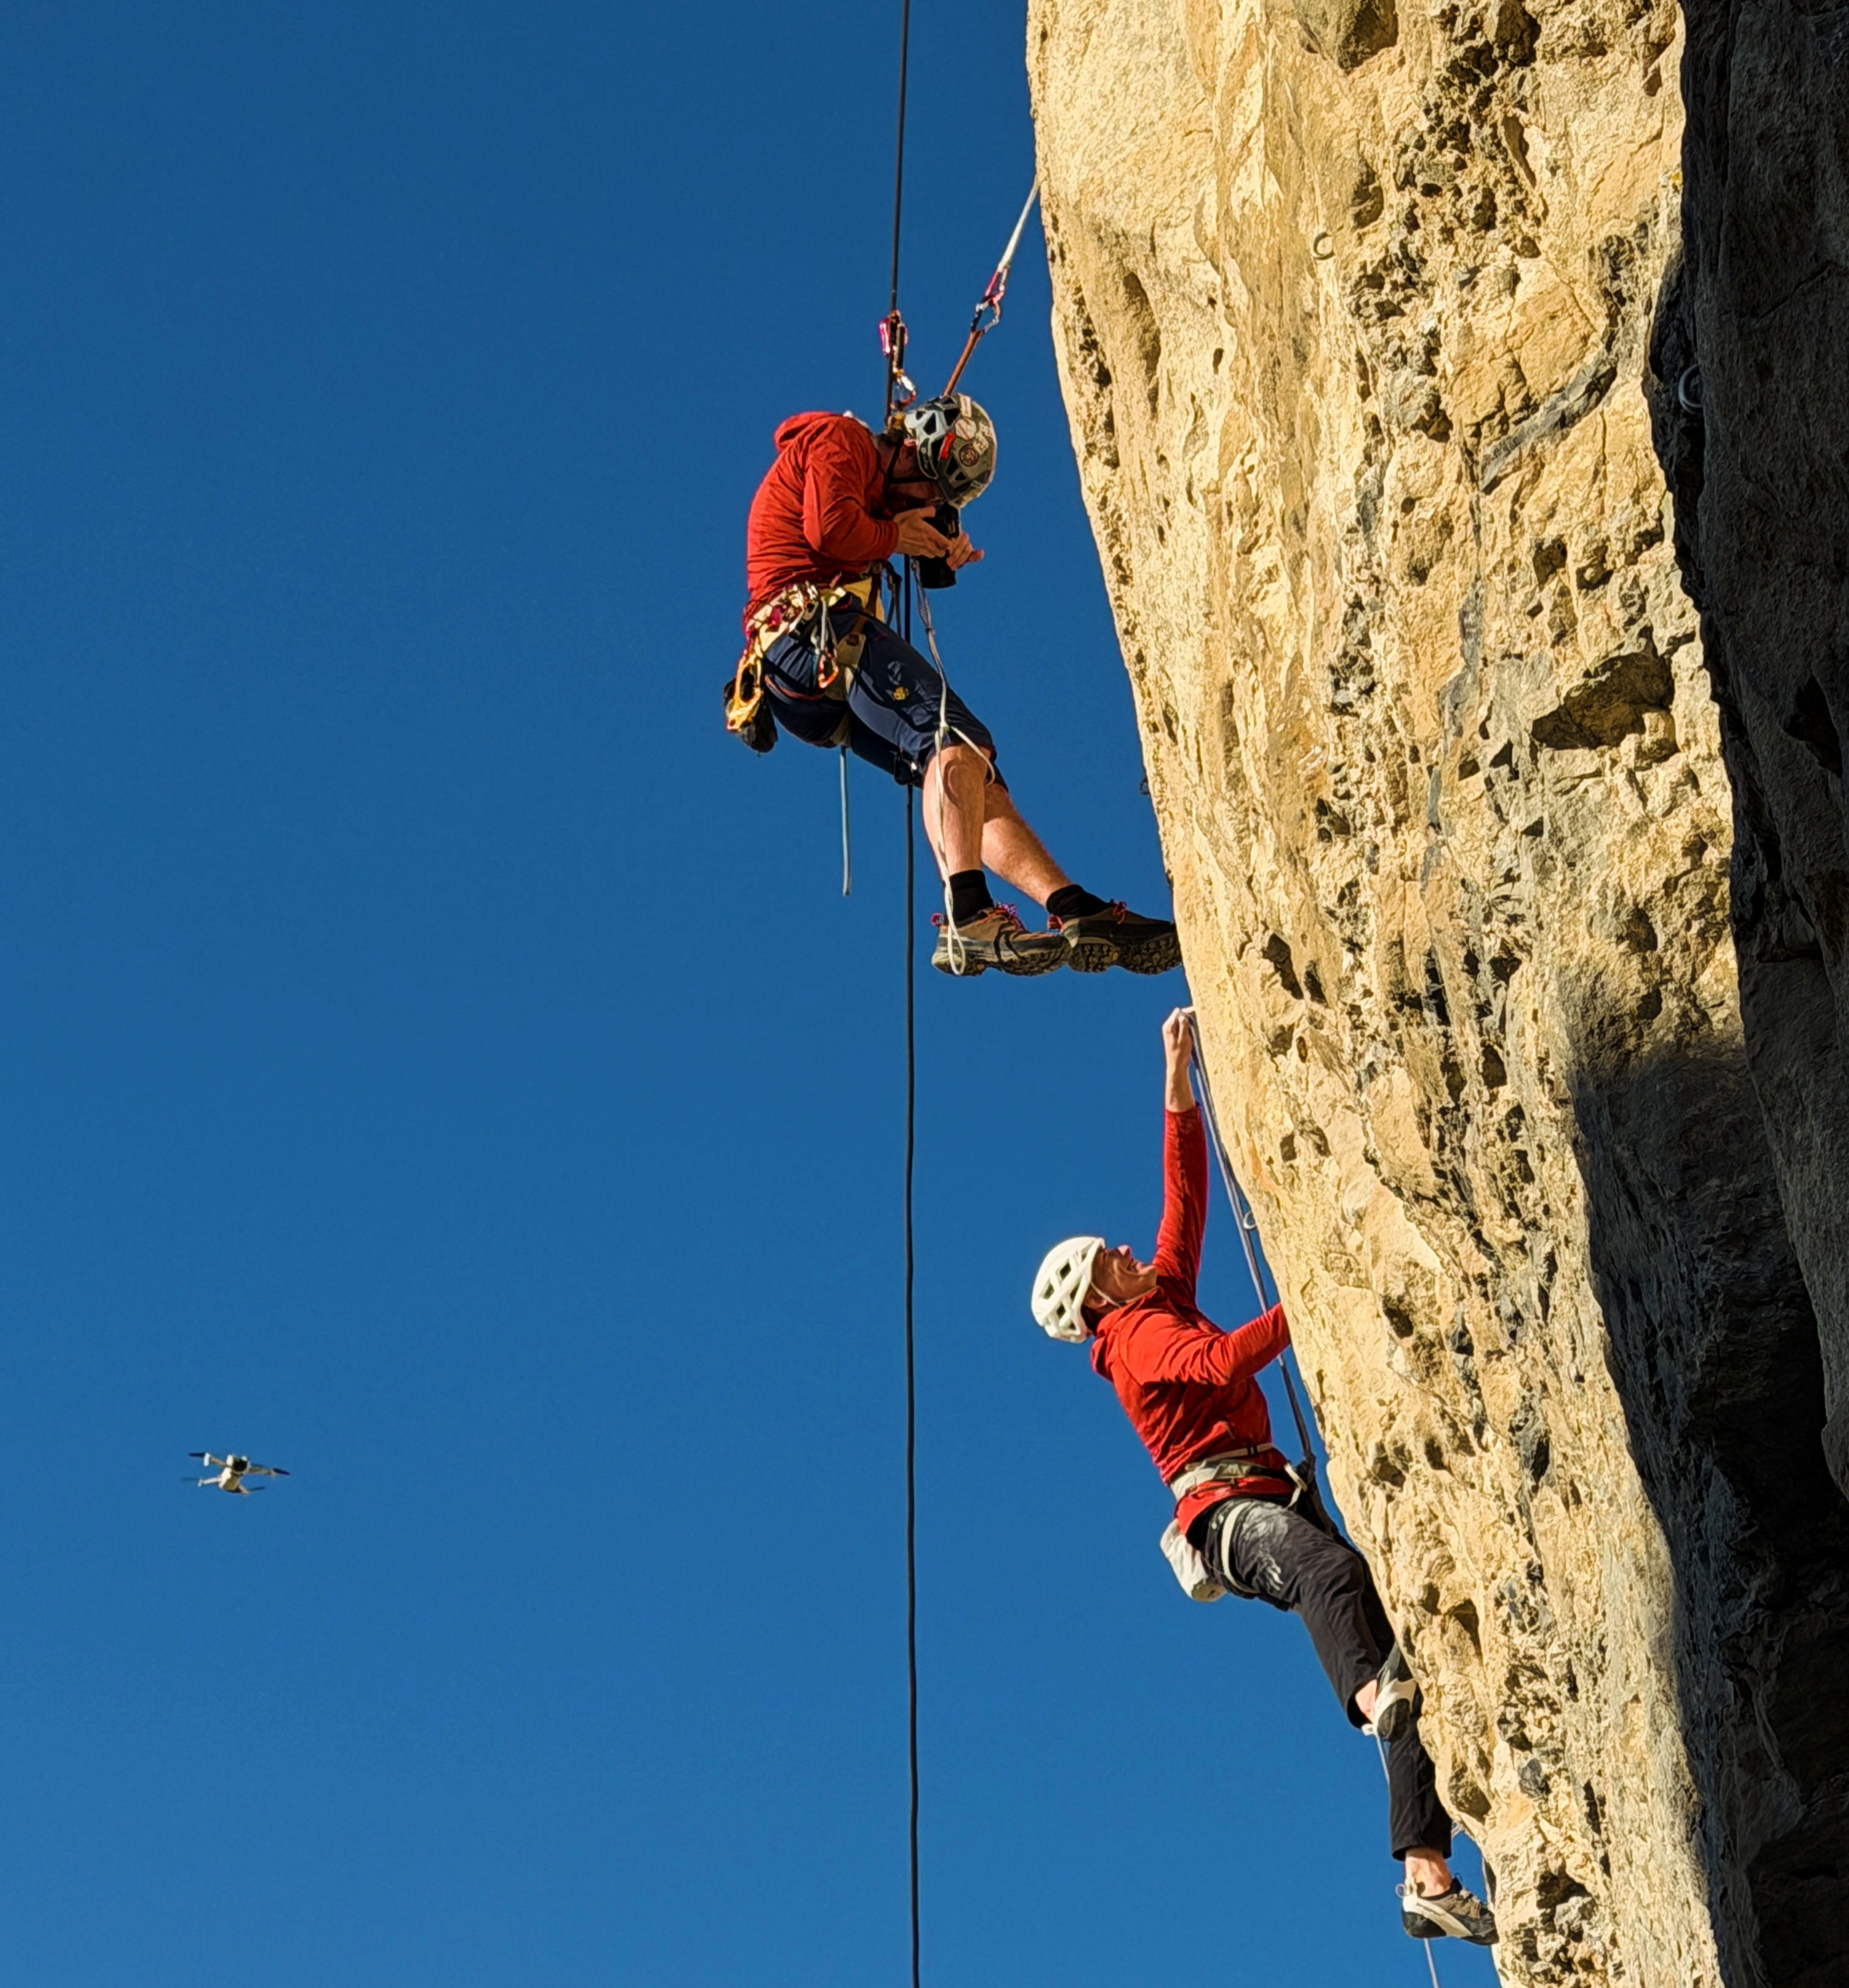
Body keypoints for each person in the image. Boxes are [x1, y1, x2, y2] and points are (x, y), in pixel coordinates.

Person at [1027, 1008, 1497, 1950]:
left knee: (1385, 1635)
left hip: (1263, 1486)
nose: (1125, 1248)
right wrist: (1307, 1302)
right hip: (1226, 1510)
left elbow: (1185, 1199)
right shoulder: (1134, 1338)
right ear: (1097, 1298)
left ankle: (1426, 1872)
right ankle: (1369, 1700)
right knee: (1333, 1587)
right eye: (1106, 1258)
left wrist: (1176, 1078)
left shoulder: (1155, 1295)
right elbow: (1219, 1367)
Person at [729, 393, 1180, 980]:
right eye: (932, 493)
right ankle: (969, 916)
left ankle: (1072, 907)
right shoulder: (841, 443)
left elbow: (854, 529)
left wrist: (931, 542)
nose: (933, 506)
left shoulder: (875, 489)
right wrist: (898, 538)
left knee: (975, 778)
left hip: (806, 669)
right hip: (814, 636)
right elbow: (831, 527)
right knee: (953, 739)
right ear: (912, 455)